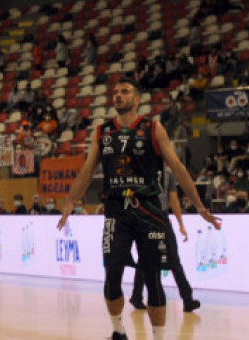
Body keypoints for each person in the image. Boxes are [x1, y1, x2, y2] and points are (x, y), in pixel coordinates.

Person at [58, 76, 220, 340]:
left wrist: (200, 206)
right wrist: (69, 200)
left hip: (149, 210)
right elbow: (87, 170)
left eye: (125, 91)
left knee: (153, 278)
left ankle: (158, 336)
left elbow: (178, 169)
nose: (118, 95)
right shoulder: (102, 132)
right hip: (116, 211)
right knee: (112, 274)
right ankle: (118, 330)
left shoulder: (154, 129)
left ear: (137, 99)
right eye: (116, 92)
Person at [129, 167, 200, 313]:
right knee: (150, 260)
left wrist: (180, 224)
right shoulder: (154, 171)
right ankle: (137, 296)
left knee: (165, 260)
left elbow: (173, 199)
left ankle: (187, 299)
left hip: (156, 220)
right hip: (151, 219)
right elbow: (172, 199)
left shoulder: (166, 173)